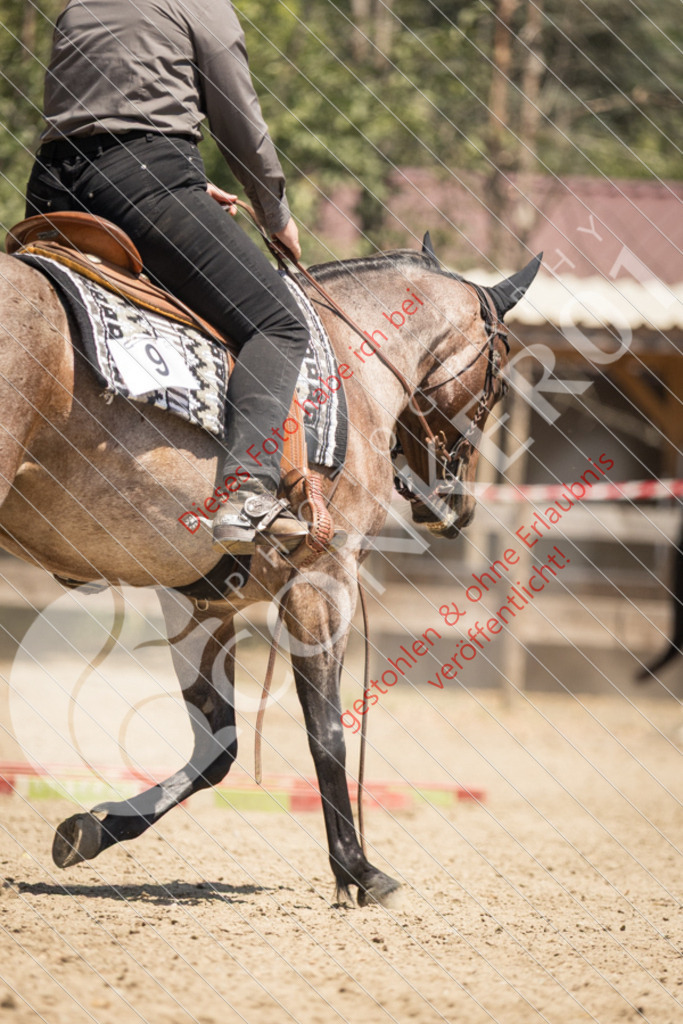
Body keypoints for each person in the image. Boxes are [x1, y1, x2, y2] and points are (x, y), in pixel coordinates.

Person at [25, 0, 310, 555]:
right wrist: (276, 216)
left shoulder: (78, 5)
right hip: (144, 176)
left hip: (52, 186)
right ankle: (247, 489)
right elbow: (240, 123)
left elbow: (91, 120)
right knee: (278, 324)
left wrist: (188, 190)